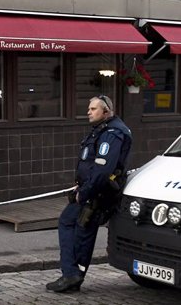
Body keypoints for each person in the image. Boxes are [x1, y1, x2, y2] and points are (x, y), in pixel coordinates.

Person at [46, 95, 132, 293]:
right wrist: (80, 186)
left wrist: (84, 192)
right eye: (89, 108)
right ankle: (72, 275)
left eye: (93, 108)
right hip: (89, 190)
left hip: (98, 194)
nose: (88, 112)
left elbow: (102, 171)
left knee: (76, 227)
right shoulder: (102, 130)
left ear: (106, 111)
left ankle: (72, 275)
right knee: (78, 228)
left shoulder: (112, 133)